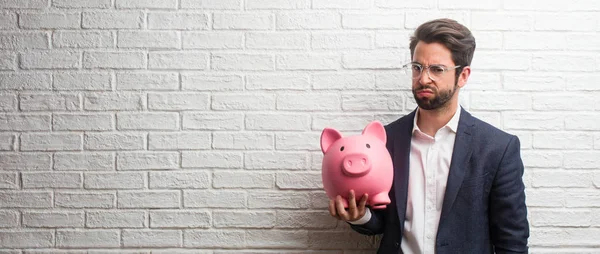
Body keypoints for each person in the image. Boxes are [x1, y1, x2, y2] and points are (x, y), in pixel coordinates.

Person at [328, 18, 529, 253]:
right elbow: (383, 223)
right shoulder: (385, 141)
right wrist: (359, 216)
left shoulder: (498, 148)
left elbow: (512, 241)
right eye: (417, 68)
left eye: (437, 69)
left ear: (463, 76)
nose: (423, 79)